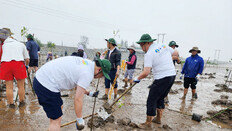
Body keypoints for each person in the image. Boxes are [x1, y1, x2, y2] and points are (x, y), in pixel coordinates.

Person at [33, 56, 111, 130]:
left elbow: (77, 84)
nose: (100, 78)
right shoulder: (88, 74)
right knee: (56, 120)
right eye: (102, 76)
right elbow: (78, 99)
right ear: (99, 70)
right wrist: (79, 119)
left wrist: (89, 93)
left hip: (42, 77)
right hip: (46, 84)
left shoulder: (88, 64)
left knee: (59, 108)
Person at [134, 34, 176, 129]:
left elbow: (146, 72)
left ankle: (147, 123)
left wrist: (137, 78)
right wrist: (167, 59)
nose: (142, 48)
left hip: (162, 77)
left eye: (142, 45)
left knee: (151, 99)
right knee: (161, 98)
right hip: (172, 75)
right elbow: (175, 52)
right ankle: (158, 119)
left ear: (148, 43)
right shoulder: (163, 45)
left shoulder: (149, 54)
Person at [0, 29, 29, 108]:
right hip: (18, 64)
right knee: (21, 86)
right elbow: (27, 59)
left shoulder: (3, 45)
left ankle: (11, 104)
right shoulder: (21, 44)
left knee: (9, 86)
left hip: (6, 64)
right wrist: (26, 66)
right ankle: (21, 102)